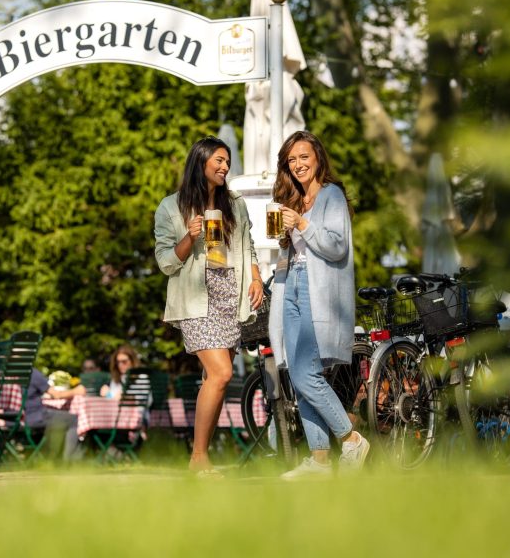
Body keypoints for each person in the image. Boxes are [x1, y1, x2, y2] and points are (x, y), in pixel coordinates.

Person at [154, 135, 264, 477]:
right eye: (219, 160)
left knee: (214, 381)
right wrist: (189, 236)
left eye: (227, 161)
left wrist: (256, 277)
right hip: (195, 297)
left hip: (232, 293)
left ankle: (202, 459)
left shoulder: (235, 203)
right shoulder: (170, 207)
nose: (225, 166)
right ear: (200, 162)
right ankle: (198, 458)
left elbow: (249, 245)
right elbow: (165, 263)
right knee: (222, 374)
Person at [270, 130, 369, 478]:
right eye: (292, 160)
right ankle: (320, 461)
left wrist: (301, 223)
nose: (298, 165)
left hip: (318, 290)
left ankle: (351, 438)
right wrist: (284, 234)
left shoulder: (332, 196)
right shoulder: (295, 200)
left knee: (306, 372)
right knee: (297, 378)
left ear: (317, 158)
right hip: (292, 287)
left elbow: (336, 246)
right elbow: (292, 251)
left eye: (303, 157)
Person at [25, 369, 87, 462]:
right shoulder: (31, 373)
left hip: (8, 419)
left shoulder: (2, 374)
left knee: (57, 418)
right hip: (33, 417)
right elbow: (57, 395)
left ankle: (53, 458)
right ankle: (69, 462)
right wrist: (76, 391)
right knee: (72, 419)